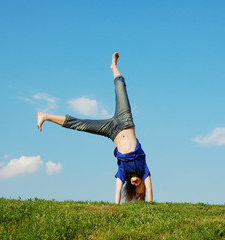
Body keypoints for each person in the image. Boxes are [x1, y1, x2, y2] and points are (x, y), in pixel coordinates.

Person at [36, 53, 153, 204]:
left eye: (132, 186)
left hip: (111, 131)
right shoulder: (143, 168)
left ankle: (45, 116)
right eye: (138, 187)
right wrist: (149, 202)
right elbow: (150, 190)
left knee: (80, 125)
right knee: (121, 86)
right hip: (126, 120)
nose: (134, 183)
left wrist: (115, 208)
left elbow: (117, 191)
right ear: (141, 184)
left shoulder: (123, 172)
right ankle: (114, 66)